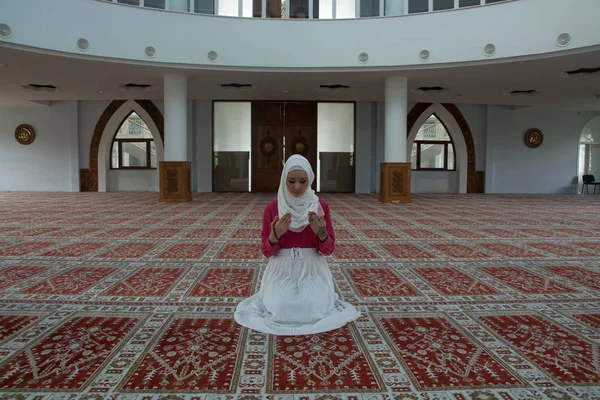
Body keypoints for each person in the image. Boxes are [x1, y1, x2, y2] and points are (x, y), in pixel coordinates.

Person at [234, 154, 360, 335]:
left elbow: (328, 250)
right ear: (284, 179)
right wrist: (275, 234)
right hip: (281, 269)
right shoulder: (272, 208)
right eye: (291, 181)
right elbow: (267, 252)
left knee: (313, 306)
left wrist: (321, 233)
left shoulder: (320, 207)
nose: (297, 187)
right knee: (281, 306)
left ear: (310, 180)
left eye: (302, 181)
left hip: (312, 268)